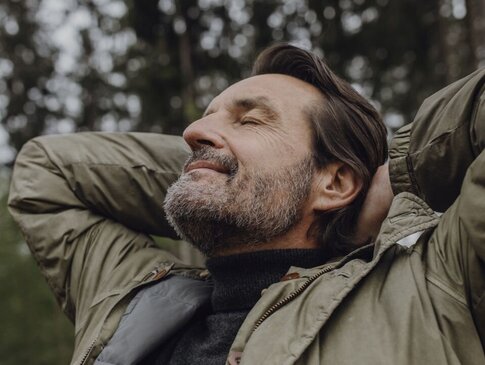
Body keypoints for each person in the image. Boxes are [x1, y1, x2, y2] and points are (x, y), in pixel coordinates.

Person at [7, 44, 485, 365]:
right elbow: (46, 171)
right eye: (207, 117)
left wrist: (398, 173)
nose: (192, 131)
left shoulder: (436, 282)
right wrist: (210, 170)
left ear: (336, 182)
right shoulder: (135, 301)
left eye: (250, 120)